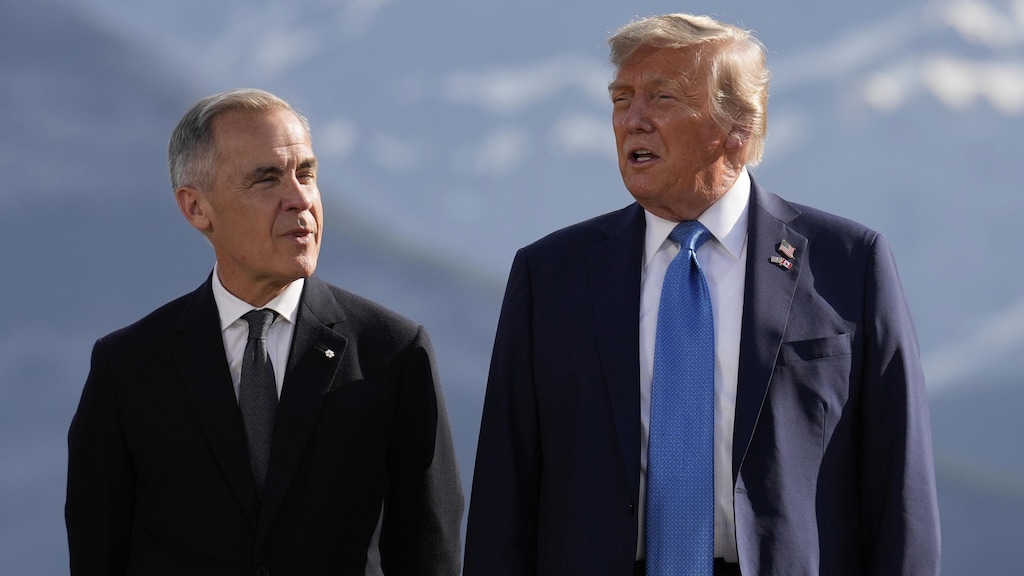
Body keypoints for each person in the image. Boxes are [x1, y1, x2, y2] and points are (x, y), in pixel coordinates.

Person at [464, 13, 940, 576]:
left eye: (661, 97)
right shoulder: (549, 275)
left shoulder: (849, 264)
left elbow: (899, 486)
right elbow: (504, 493)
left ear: (738, 128)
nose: (633, 120)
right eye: (622, 99)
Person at [66, 88, 464, 575]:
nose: (299, 199)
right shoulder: (128, 367)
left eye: (307, 174)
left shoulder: (394, 353)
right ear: (196, 208)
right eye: (266, 179)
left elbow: (430, 551)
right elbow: (97, 552)